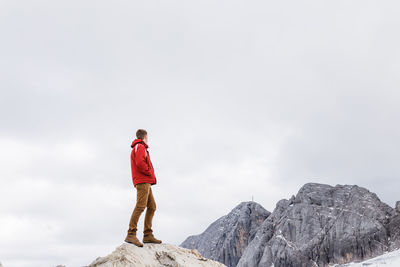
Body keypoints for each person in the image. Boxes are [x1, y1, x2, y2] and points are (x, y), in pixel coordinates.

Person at [125, 129, 162, 247]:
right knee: (140, 206)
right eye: (148, 136)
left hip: (145, 181)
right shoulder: (139, 146)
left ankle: (147, 235)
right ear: (145, 136)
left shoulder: (140, 147)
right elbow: (140, 163)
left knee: (152, 206)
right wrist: (149, 173)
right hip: (143, 181)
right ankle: (131, 233)